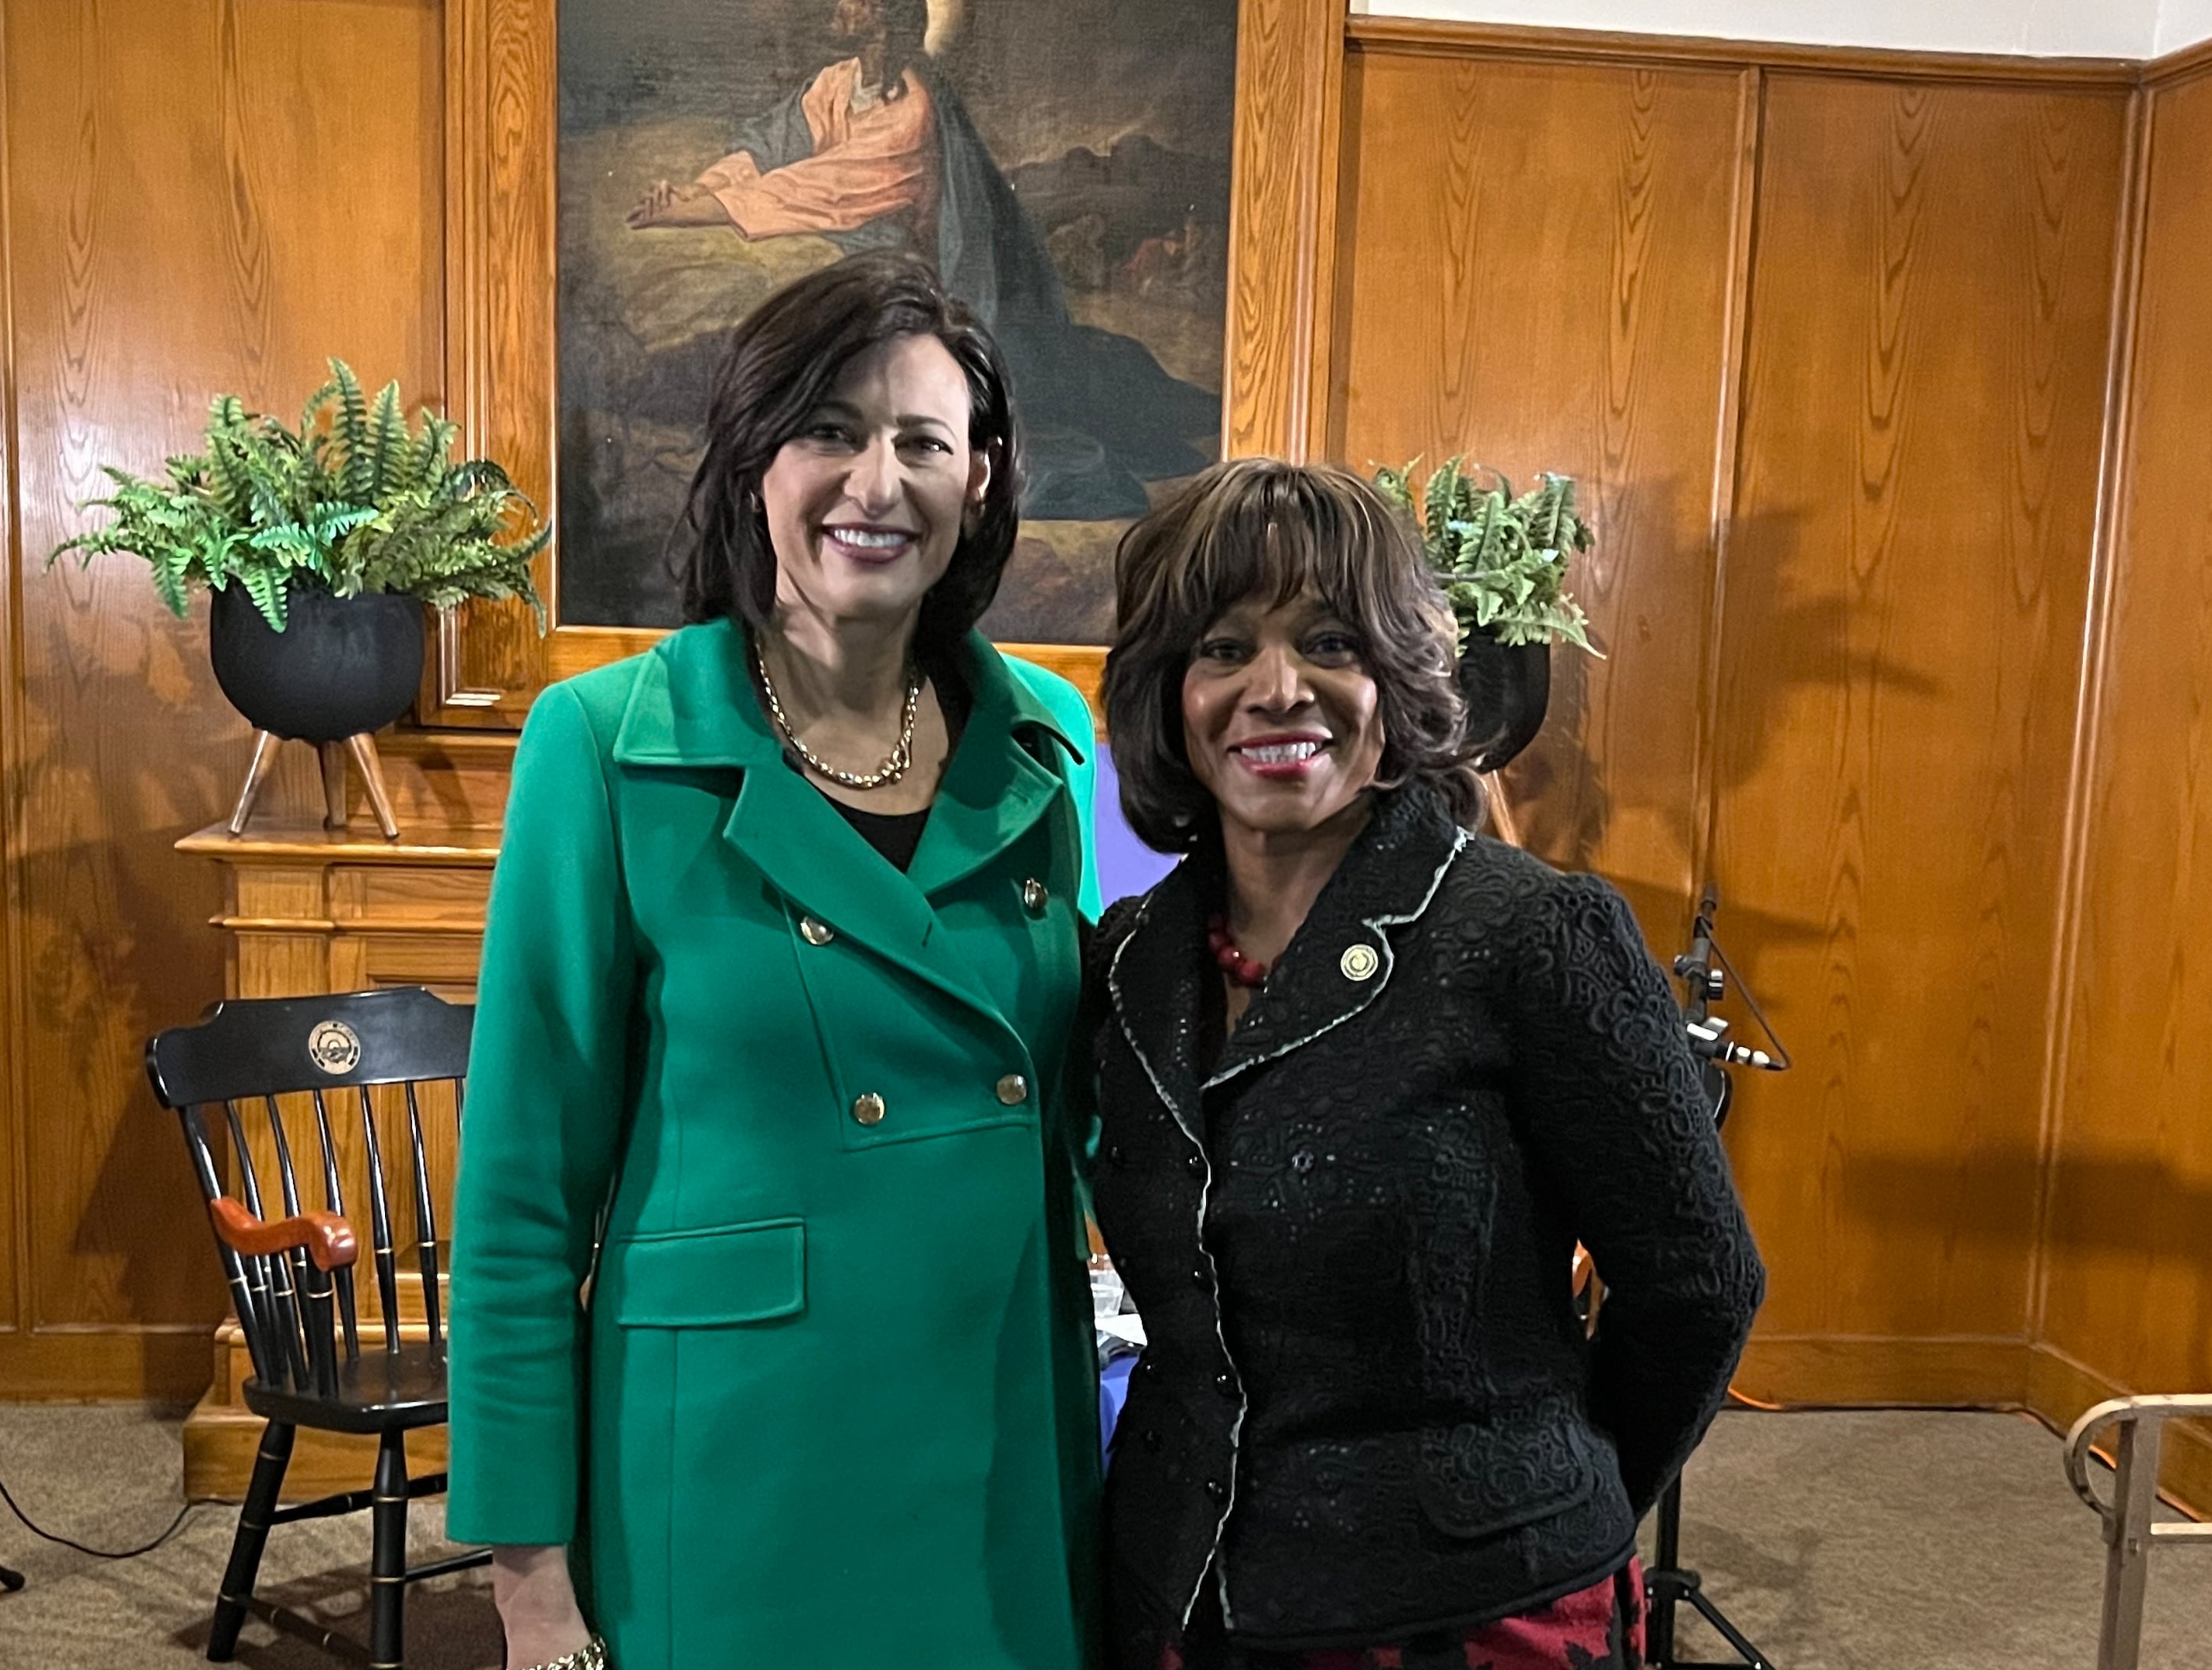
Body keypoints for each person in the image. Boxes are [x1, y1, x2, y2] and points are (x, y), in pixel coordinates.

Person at [448, 250, 1105, 1670]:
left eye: (923, 441)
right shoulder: (605, 740)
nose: (877, 482)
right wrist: (527, 1583)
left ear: (980, 479)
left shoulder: (1052, 740)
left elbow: (1096, 1100)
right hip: (732, 1466)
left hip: (996, 1430)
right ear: (753, 459)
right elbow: (518, 1194)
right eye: (830, 430)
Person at [1085, 458, 1766, 1668]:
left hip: (1476, 1614)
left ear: (1395, 680)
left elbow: (1699, 1284)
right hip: (1185, 1595)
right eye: (1225, 646)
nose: (1277, 688)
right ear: (1167, 694)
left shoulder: (1532, 934)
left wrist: (1541, 1499)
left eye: (1330, 643)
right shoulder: (1133, 960)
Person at [625, 0, 1218, 519]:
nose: (840, 6)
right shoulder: (835, 83)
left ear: (885, 13)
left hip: (919, 288)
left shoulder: (910, 113)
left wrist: (700, 212)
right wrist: (697, 193)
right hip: (860, 259)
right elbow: (767, 147)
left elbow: (818, 187)